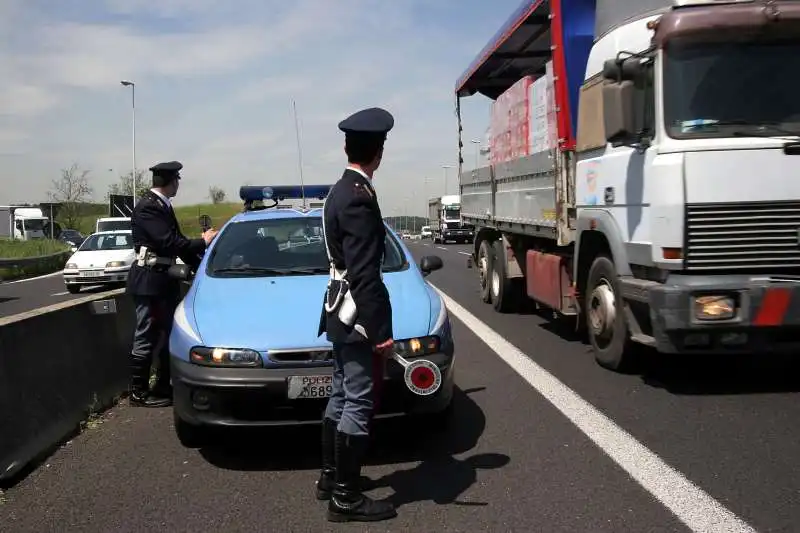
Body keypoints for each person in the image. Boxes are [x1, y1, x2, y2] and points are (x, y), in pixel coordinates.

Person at [315, 107, 397, 523]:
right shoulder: (360, 199)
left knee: (342, 393)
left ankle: (331, 477)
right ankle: (345, 497)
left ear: (349, 148)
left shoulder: (337, 191)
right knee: (359, 400)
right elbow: (366, 273)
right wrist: (380, 330)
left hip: (337, 309)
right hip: (356, 313)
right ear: (378, 152)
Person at [126, 161, 218, 408]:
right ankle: (138, 392)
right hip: (148, 280)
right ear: (170, 181)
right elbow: (170, 243)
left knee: (167, 333)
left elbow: (176, 244)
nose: (178, 184)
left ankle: (162, 385)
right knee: (146, 333)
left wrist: (202, 265)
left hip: (162, 278)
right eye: (177, 180)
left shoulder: (161, 206)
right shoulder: (148, 207)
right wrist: (203, 242)